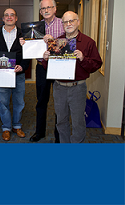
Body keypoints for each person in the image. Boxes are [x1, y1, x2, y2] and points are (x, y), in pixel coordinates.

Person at [43, 11, 102, 143]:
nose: (68, 24)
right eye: (65, 22)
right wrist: (46, 59)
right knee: (61, 120)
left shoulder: (88, 42)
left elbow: (96, 65)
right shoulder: (57, 42)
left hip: (78, 88)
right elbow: (49, 68)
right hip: (59, 87)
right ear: (62, 24)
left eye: (71, 21)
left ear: (78, 22)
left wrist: (83, 58)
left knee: (78, 122)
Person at [21, 0, 65, 142]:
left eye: (48, 7)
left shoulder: (63, 23)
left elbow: (69, 44)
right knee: (41, 102)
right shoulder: (35, 27)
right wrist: (24, 43)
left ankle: (59, 135)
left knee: (59, 102)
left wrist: (53, 41)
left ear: (55, 9)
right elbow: (31, 48)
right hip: (42, 68)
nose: (46, 10)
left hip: (59, 66)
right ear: (40, 11)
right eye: (43, 8)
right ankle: (39, 132)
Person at [0, 8, 30, 141]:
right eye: (6, 15)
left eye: (12, 15)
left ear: (16, 18)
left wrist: (22, 67)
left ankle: (17, 126)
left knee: (19, 102)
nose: (9, 17)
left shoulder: (23, 34)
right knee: (3, 102)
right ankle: (6, 127)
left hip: (18, 74)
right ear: (3, 18)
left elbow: (28, 54)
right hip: (2, 76)